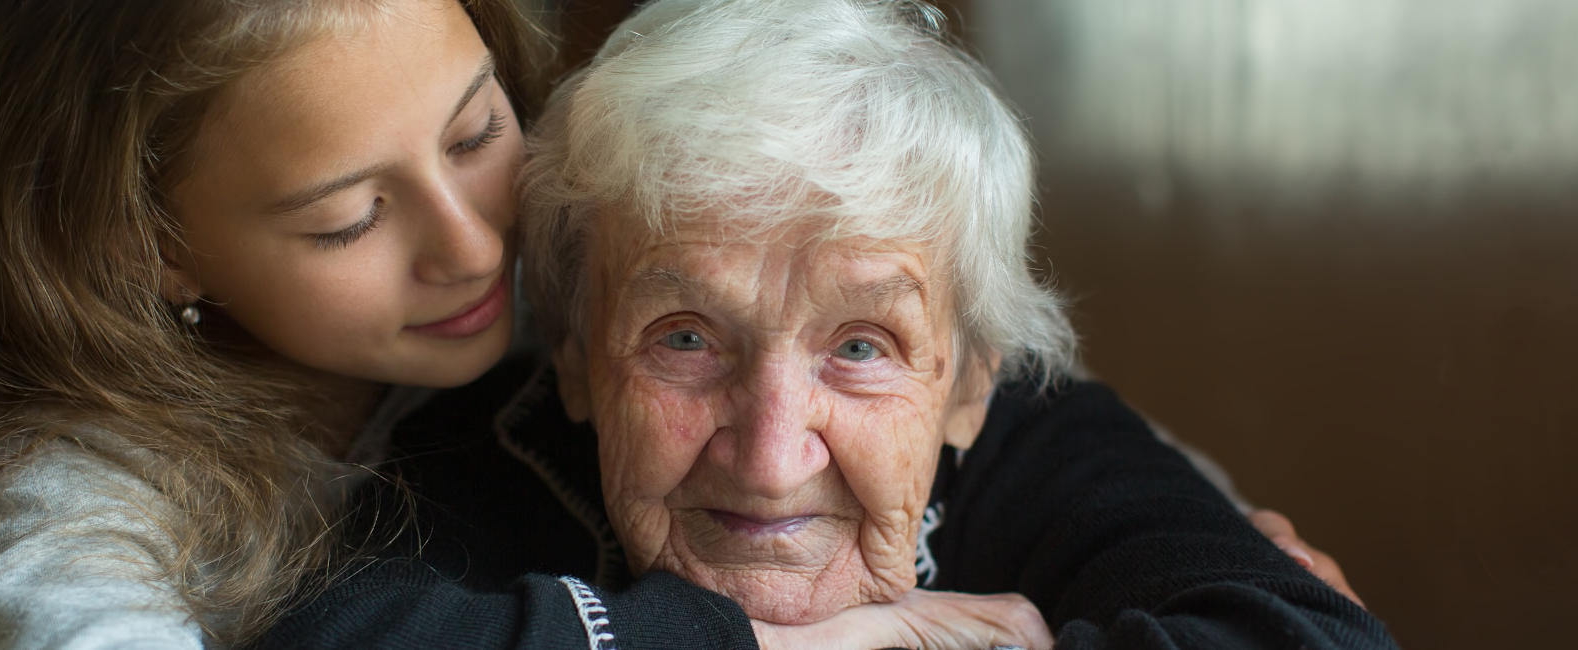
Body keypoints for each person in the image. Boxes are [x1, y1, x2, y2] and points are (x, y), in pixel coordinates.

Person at [252, 0, 1395, 647]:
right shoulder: (496, 445)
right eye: (686, 337)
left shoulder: (1040, 437)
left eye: (860, 346)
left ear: (968, 382)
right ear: (579, 357)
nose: (769, 450)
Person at [0, 0, 553, 647]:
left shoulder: (567, 293)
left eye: (475, 134)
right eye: (348, 218)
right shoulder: (76, 485)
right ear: (150, 245)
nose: (474, 249)